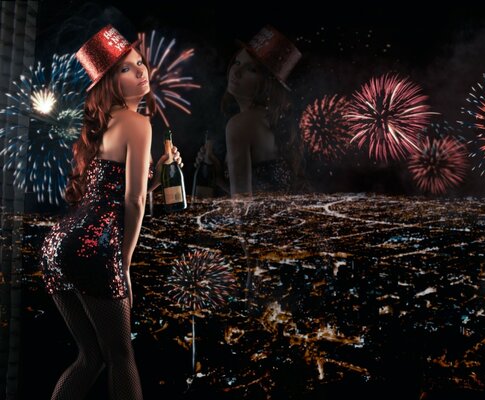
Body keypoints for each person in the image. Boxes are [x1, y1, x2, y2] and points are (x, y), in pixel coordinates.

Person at [40, 25, 182, 399]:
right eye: (126, 68)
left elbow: (111, 193)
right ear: (109, 84)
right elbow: (133, 202)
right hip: (94, 250)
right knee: (121, 357)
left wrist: (159, 170)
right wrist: (125, 264)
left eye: (140, 63)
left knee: (90, 357)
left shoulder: (102, 125)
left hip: (57, 246)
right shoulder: (139, 124)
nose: (141, 71)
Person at [195, 25, 304, 197]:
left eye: (251, 69)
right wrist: (218, 178)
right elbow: (253, 200)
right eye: (237, 63)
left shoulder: (240, 124)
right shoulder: (267, 120)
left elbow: (243, 207)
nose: (236, 72)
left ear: (267, 85)